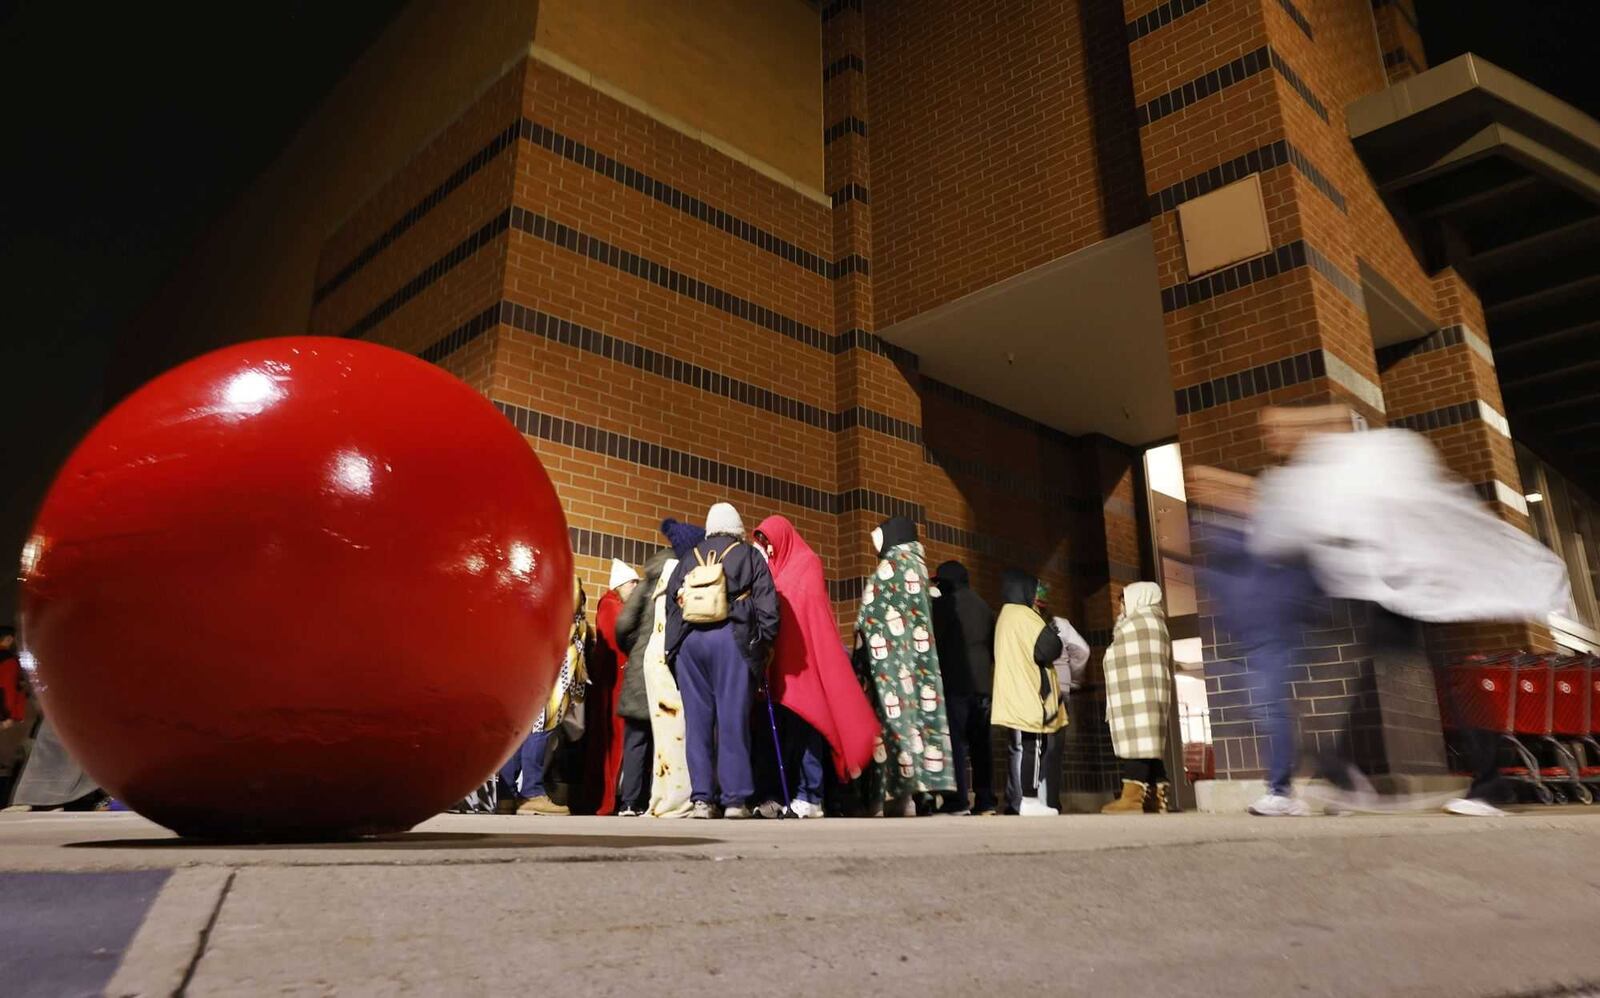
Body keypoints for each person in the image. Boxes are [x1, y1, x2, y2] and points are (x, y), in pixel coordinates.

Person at [1250, 408, 1571, 817]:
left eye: (1276, 429)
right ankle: (1348, 776)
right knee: (1377, 673)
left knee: (1442, 679)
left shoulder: (1375, 454)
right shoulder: (1315, 470)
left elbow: (1416, 509)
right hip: (1384, 591)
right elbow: (1286, 537)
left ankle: (1489, 786)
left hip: (1418, 585)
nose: (1271, 439)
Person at [755, 515, 879, 818]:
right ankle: (789, 794)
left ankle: (810, 795)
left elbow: (812, 616)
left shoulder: (807, 563)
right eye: (763, 544)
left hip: (806, 665)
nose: (767, 550)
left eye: (768, 542)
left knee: (810, 727)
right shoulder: (775, 570)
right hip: (782, 667)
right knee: (785, 734)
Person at [664, 502, 780, 820]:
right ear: (737, 528)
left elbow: (671, 605)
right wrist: (761, 645)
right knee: (732, 720)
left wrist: (673, 651)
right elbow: (769, 609)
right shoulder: (750, 556)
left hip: (690, 643)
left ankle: (702, 799)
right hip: (732, 640)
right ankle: (734, 800)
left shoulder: (687, 558)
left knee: (698, 723)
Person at [853, 515, 957, 816]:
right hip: (920, 664)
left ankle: (897, 795)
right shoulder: (920, 568)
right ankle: (924, 794)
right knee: (921, 725)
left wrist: (860, 660)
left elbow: (867, 621)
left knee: (895, 728)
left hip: (889, 668)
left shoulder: (890, 568)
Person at [499, 576, 589, 816]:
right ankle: (532, 793)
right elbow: (569, 608)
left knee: (523, 728)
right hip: (554, 661)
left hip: (533, 659)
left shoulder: (530, 583)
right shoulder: (563, 579)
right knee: (542, 725)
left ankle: (506, 796)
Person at [991, 570, 1068, 816]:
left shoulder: (1005, 615)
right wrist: (1054, 634)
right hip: (1029, 692)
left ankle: (1026, 799)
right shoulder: (1025, 616)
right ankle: (1030, 800)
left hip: (1013, 691)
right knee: (1033, 745)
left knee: (1022, 747)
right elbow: (1048, 649)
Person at [931, 561, 998, 815]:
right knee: (982, 746)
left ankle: (957, 801)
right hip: (982, 686)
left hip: (956, 684)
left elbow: (934, 641)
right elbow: (992, 647)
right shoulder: (983, 605)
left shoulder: (945, 605)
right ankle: (986, 801)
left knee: (955, 745)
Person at [1101, 582, 1174, 814]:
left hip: (1137, 692)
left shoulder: (1138, 623)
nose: (1121, 606)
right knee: (1148, 741)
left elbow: (1117, 654)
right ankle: (1157, 795)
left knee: (1138, 740)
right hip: (1148, 692)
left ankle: (1132, 799)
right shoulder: (1157, 622)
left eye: (1124, 600)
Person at [577, 559, 639, 815]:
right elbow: (619, 641)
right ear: (622, 584)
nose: (636, 588)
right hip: (612, 687)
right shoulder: (610, 605)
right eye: (633, 584)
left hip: (617, 685)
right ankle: (606, 798)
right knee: (610, 741)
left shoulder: (613, 605)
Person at [615, 549, 672, 816]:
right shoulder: (677, 581)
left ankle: (628, 802)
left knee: (635, 739)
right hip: (665, 669)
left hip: (638, 669)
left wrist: (635, 648)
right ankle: (655, 800)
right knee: (664, 740)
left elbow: (624, 624)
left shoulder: (645, 586)